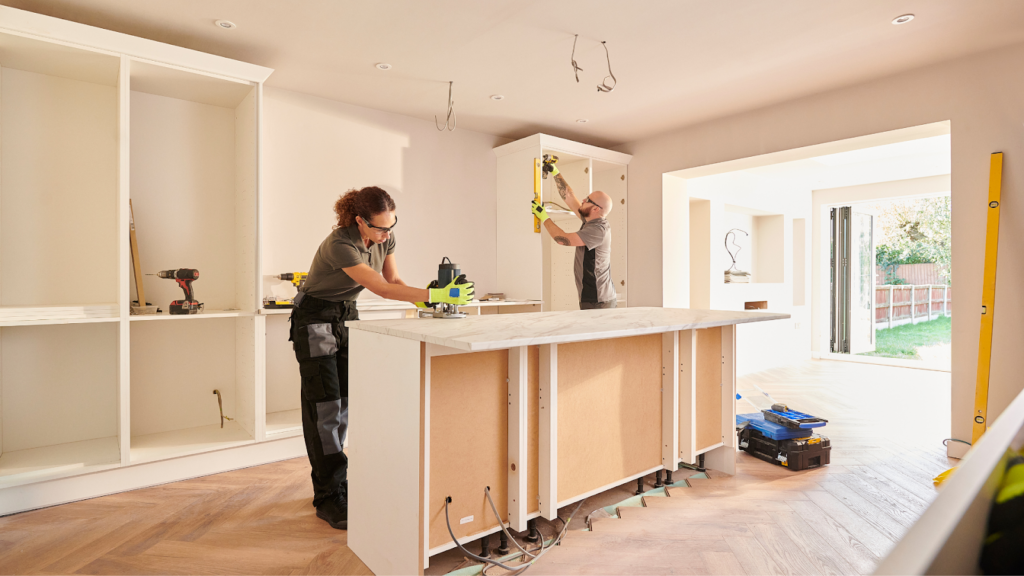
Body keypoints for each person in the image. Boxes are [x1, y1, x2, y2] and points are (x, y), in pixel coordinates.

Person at [290, 186, 474, 530]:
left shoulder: (386, 240)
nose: (387, 234)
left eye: (391, 226)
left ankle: (338, 483)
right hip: (314, 319)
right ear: (360, 221)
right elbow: (381, 288)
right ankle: (327, 497)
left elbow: (395, 279)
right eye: (379, 227)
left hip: (346, 316)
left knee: (344, 402)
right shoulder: (339, 245)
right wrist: (435, 293)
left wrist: (428, 301)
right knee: (324, 407)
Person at [530, 165, 617, 310]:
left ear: (596, 209)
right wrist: (554, 171)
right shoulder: (590, 220)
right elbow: (569, 196)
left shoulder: (598, 230)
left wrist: (544, 217)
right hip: (593, 297)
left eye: (588, 199)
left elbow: (562, 239)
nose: (583, 199)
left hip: (599, 300)